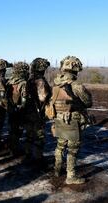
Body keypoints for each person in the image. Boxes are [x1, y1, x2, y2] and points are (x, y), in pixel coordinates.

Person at [52, 56, 93, 184]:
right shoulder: (76, 86)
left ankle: (57, 169)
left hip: (59, 118)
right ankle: (71, 176)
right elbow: (88, 102)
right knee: (72, 149)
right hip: (73, 120)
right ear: (76, 69)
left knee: (60, 145)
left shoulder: (56, 84)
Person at [23, 58, 51, 163]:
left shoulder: (29, 80)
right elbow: (42, 97)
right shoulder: (40, 81)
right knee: (39, 136)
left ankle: (27, 154)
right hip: (37, 112)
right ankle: (38, 158)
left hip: (28, 111)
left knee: (29, 135)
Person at [6, 62, 29, 156]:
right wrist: (23, 108)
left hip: (11, 108)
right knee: (18, 130)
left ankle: (11, 146)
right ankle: (14, 149)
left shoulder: (10, 81)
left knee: (12, 128)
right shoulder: (23, 83)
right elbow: (24, 98)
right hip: (19, 110)